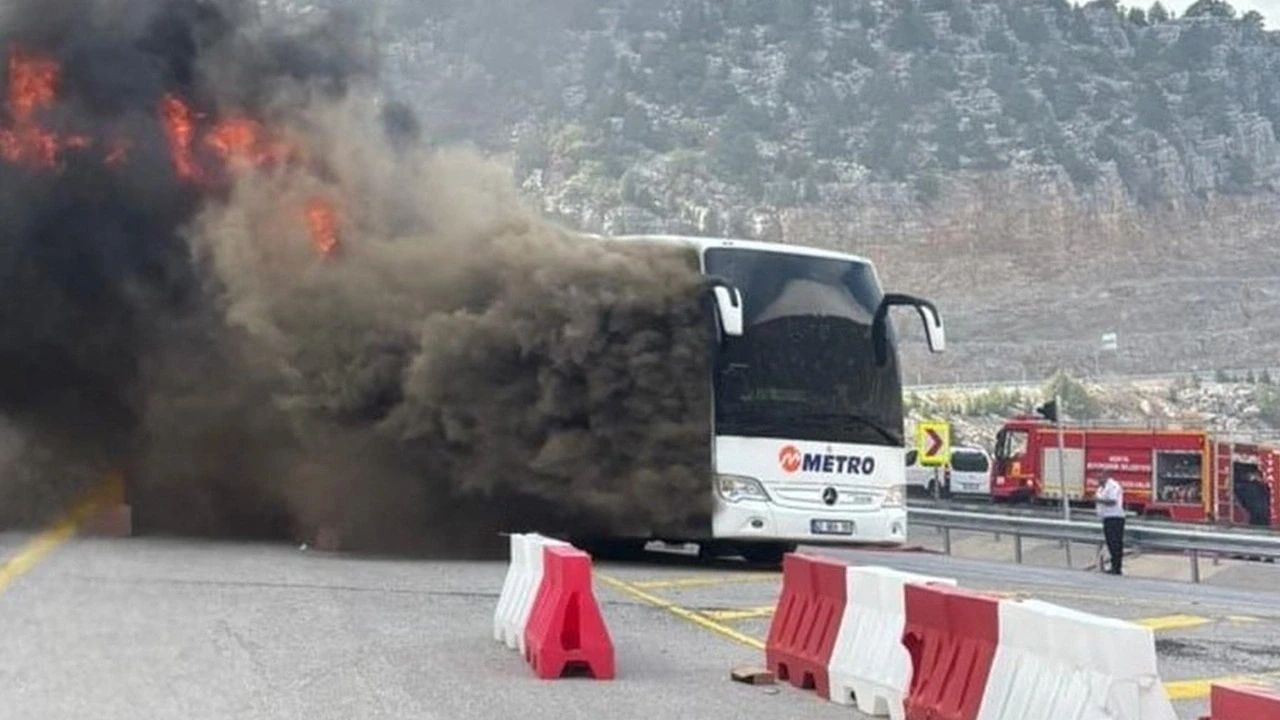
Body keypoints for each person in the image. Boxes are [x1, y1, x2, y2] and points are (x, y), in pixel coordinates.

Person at [1095, 475, 1126, 575]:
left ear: (1105, 477)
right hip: (1106, 517)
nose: (1097, 480)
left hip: (1115, 517)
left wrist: (1098, 500)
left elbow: (1112, 501)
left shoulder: (1113, 486)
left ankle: (1117, 568)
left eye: (1099, 478)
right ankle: (1114, 566)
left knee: (1115, 543)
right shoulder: (1101, 489)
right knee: (1110, 543)